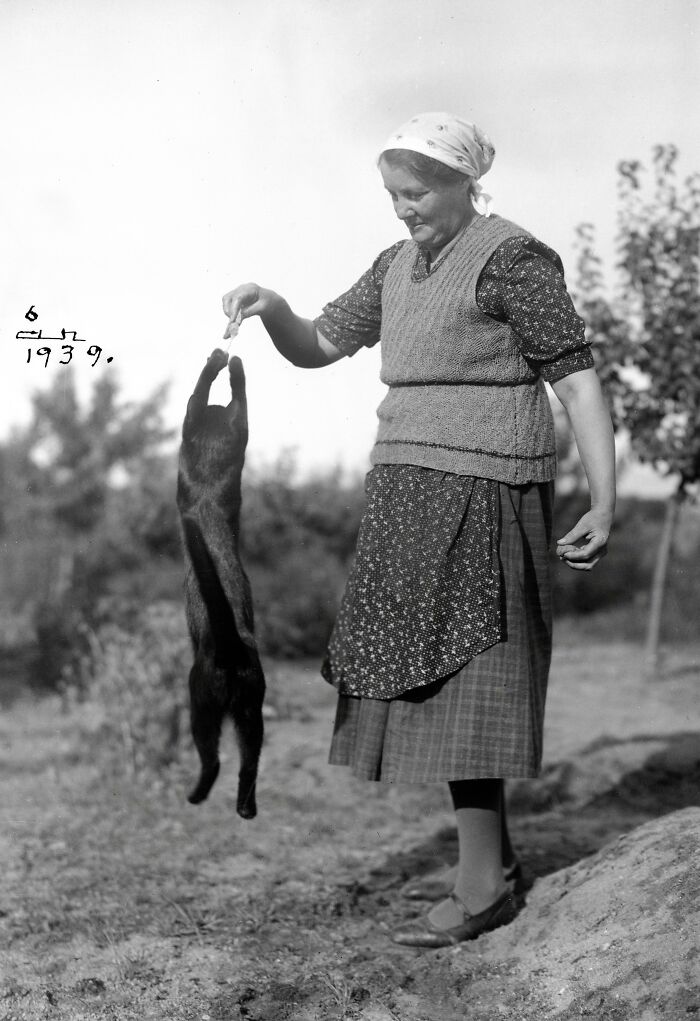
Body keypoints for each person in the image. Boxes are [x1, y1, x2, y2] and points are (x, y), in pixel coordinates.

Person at [222, 111, 615, 948]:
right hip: (404, 487)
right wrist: (274, 306)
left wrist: (605, 499)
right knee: (434, 686)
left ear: (466, 184)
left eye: (418, 192)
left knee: (470, 681)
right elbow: (322, 344)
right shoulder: (395, 265)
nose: (403, 209)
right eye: (393, 194)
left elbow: (577, 384)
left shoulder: (513, 257)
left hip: (485, 487)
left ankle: (480, 885)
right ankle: (492, 870)